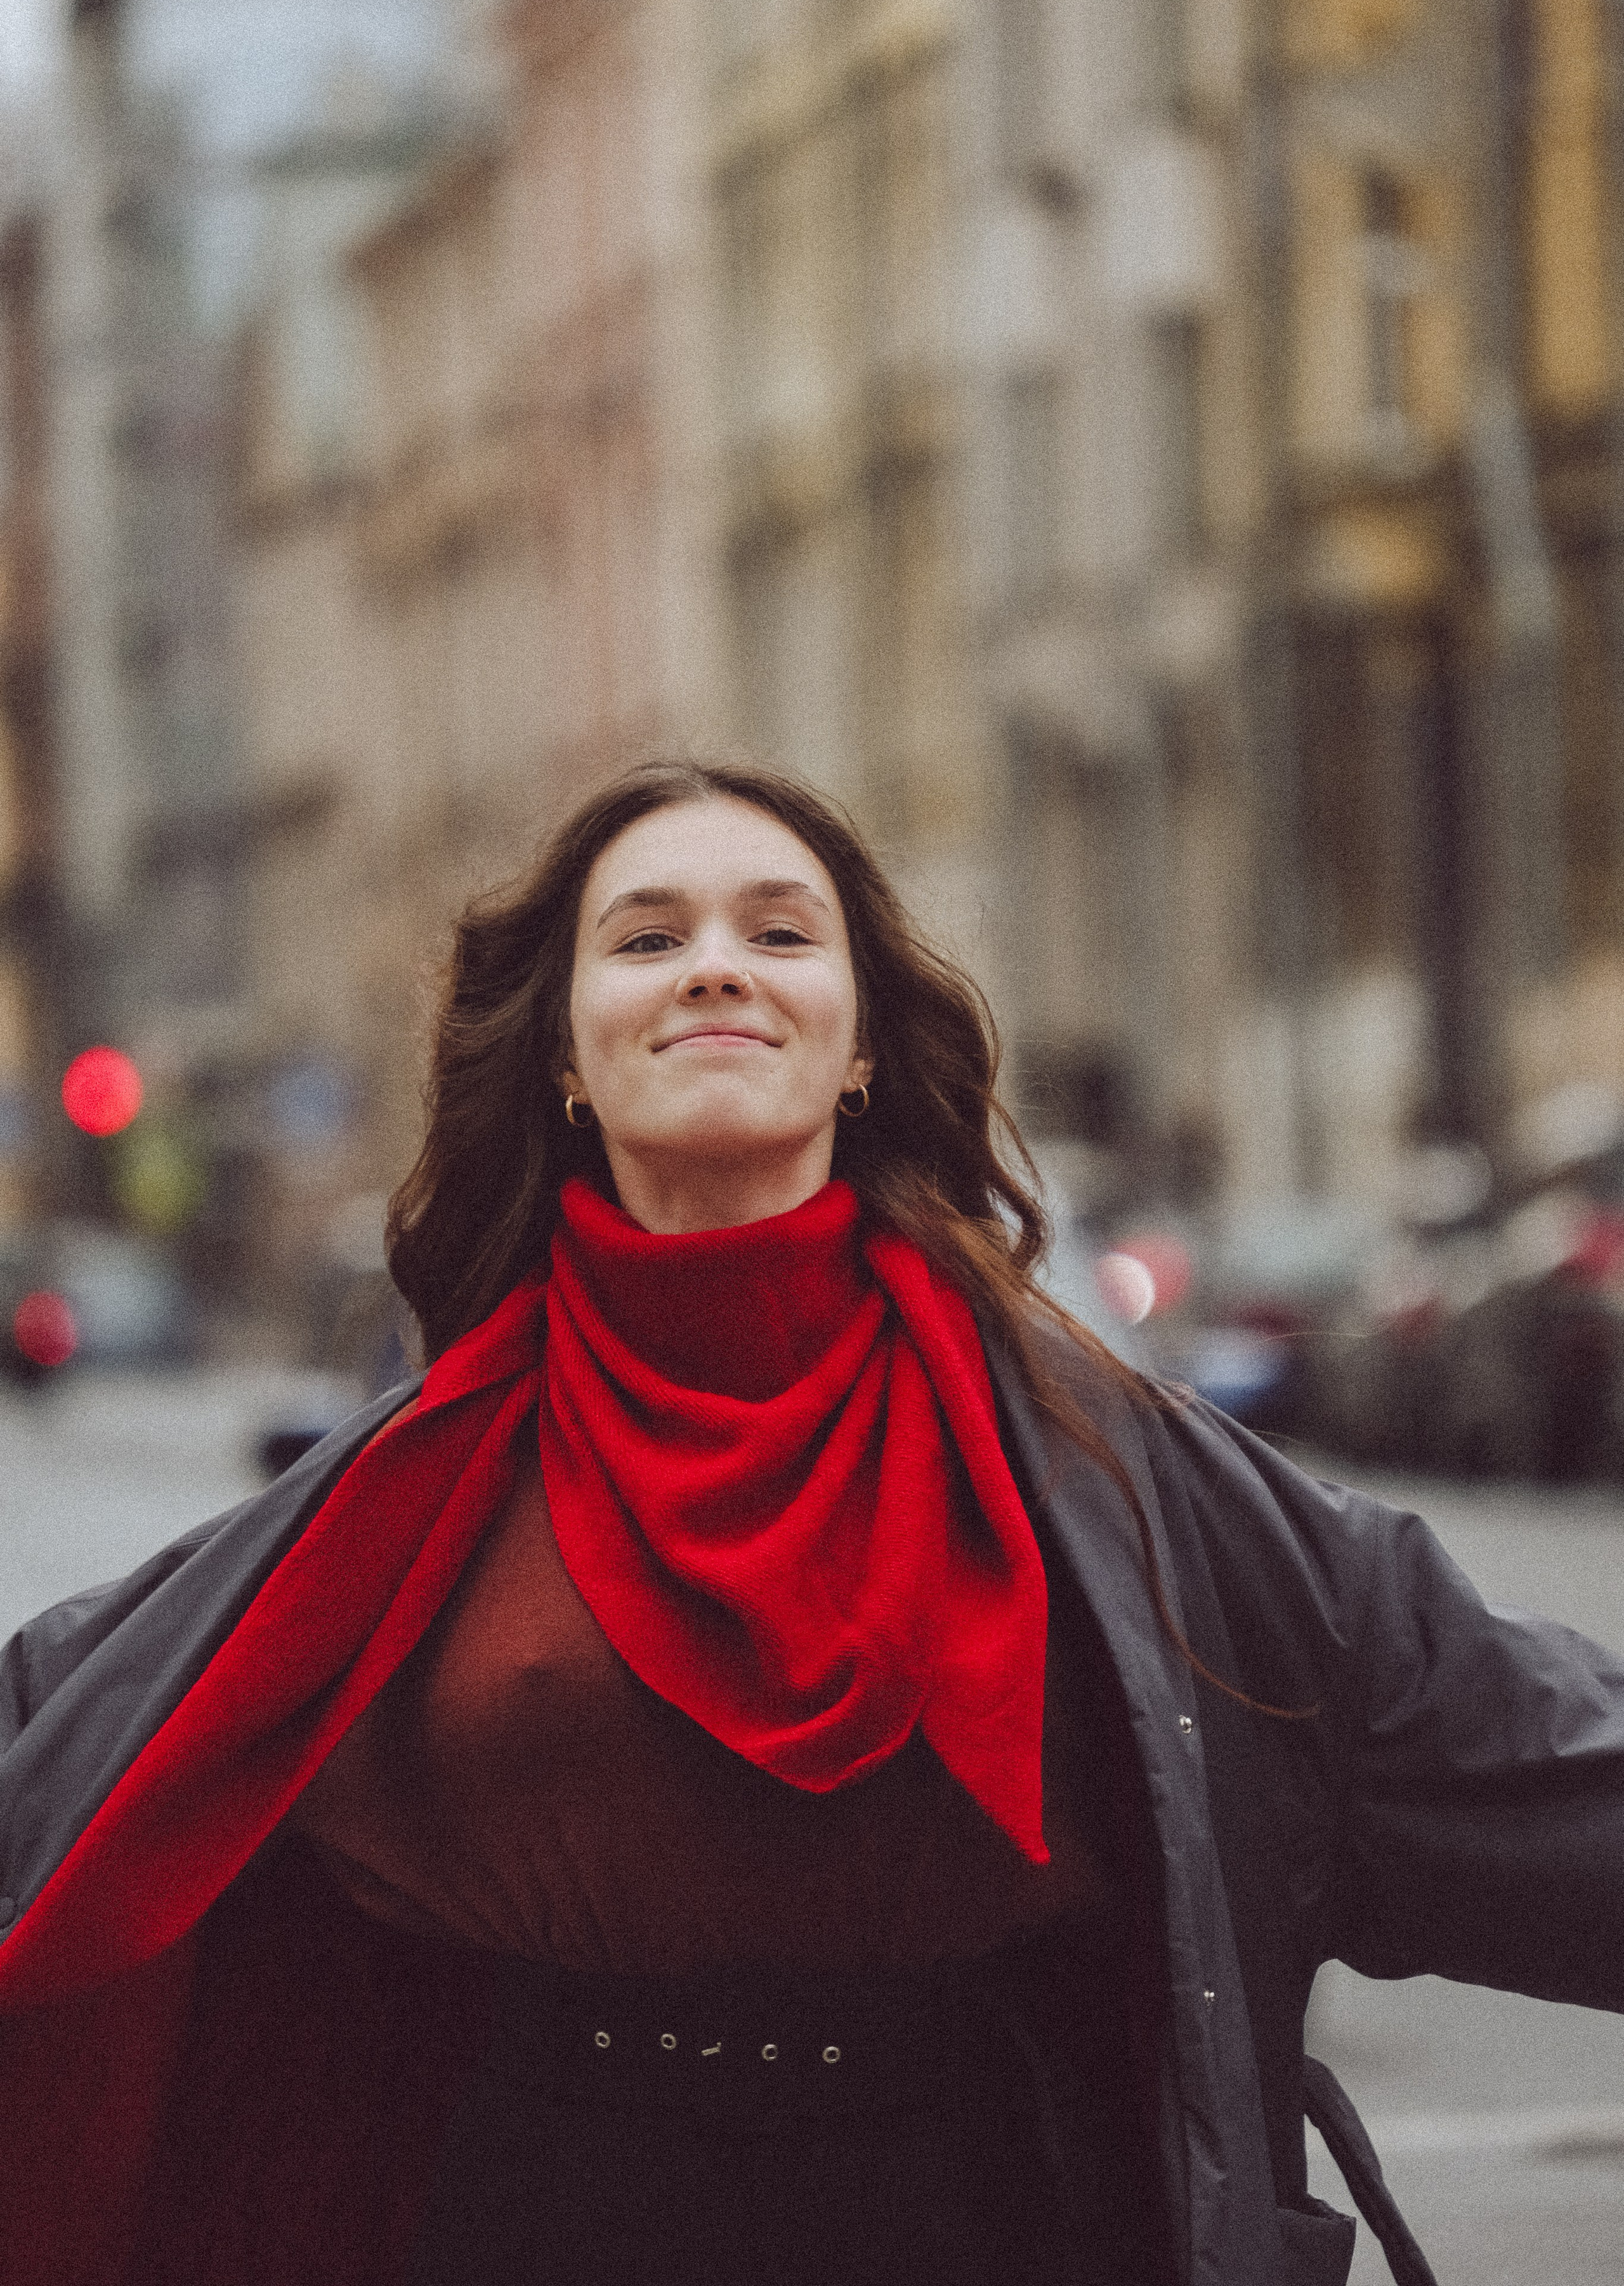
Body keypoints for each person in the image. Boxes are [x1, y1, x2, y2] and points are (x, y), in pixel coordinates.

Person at [2, 761, 1622, 2286]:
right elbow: (74, 1758)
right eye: (647, 939)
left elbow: (1501, 1748)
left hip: (993, 2206)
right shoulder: (413, 1485)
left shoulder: (1114, 1468)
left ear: (859, 1049)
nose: (715, 966)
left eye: (778, 932)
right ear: (563, 1055)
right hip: (533, 2209)